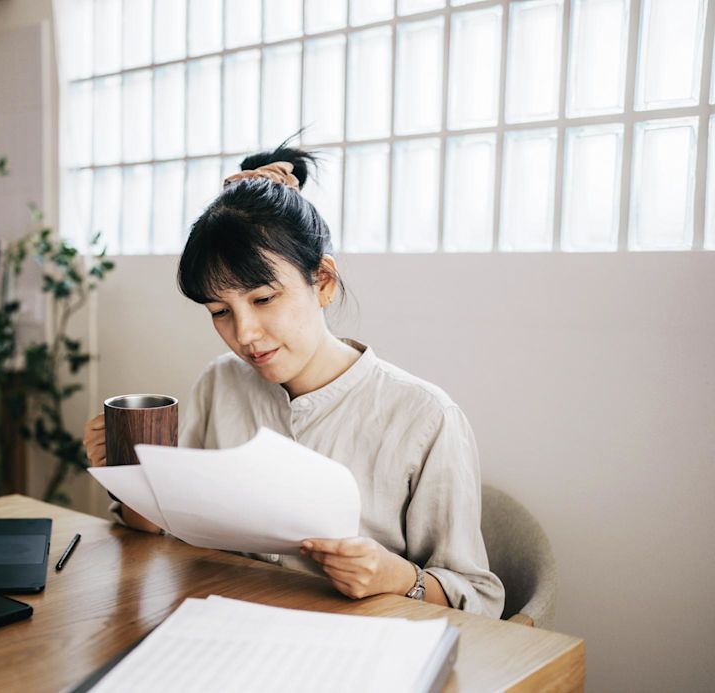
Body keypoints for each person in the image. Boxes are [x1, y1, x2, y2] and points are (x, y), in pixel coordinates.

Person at [83, 144, 504, 617]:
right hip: (222, 630)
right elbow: (163, 528)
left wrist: (397, 577)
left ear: (322, 281)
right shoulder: (220, 382)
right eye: (220, 312)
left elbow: (480, 599)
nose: (243, 335)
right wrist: (129, 476)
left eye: (263, 299)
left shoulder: (424, 417)